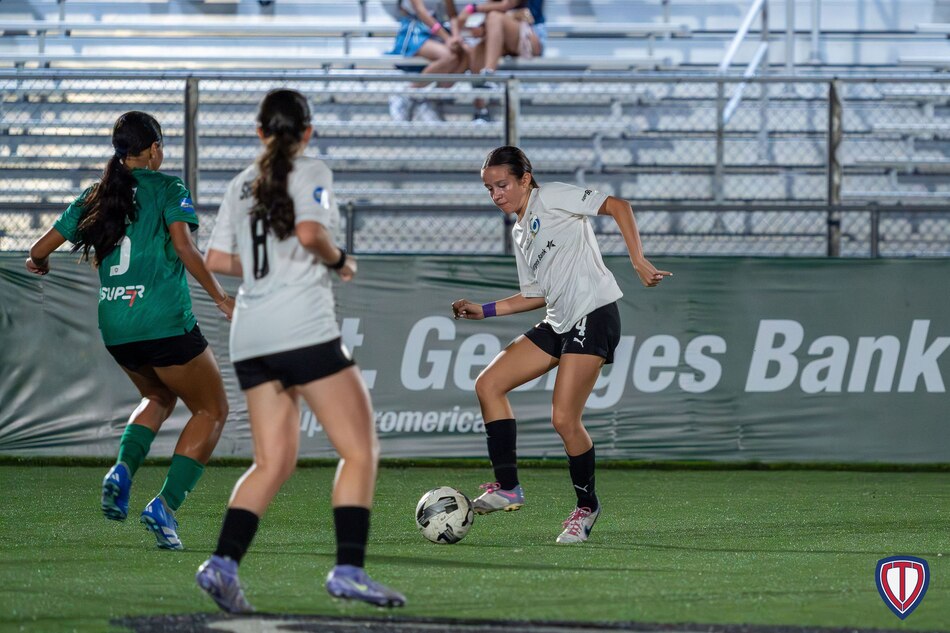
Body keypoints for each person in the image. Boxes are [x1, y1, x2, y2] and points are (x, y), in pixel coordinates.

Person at [196, 89, 405, 612]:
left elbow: (218, 258)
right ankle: (349, 570)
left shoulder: (240, 182)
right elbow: (311, 232)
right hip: (302, 328)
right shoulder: (311, 170)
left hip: (251, 333)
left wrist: (271, 272)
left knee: (273, 461)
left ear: (259, 131)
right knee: (359, 450)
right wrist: (339, 262)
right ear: (307, 132)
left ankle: (221, 564)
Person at [25, 111, 233, 551]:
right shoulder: (169, 187)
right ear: (154, 148)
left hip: (116, 325)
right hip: (162, 319)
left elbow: (38, 250)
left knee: (158, 396)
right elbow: (184, 245)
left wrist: (39, 264)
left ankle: (121, 469)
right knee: (212, 410)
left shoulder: (96, 195)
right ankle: (165, 505)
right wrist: (220, 297)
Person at [452, 146, 671, 544]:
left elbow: (618, 205)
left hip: (595, 312)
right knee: (488, 384)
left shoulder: (550, 196)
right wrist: (484, 310)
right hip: (558, 320)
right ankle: (507, 488)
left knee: (564, 419)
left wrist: (637, 259)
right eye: (488, 188)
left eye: (502, 185)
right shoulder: (520, 230)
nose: (496, 194)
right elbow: (535, 294)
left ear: (524, 178)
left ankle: (586, 507)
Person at [459, 1, 546, 121]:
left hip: (531, 34)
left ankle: (488, 75)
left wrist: (473, 8)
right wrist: (482, 27)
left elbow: (507, 5)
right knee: (477, 49)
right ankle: (481, 110)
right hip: (505, 32)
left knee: (494, 16)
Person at [387, 0, 469, 122]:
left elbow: (452, 14)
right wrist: (447, 38)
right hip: (415, 30)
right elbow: (421, 12)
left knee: (465, 53)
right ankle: (407, 94)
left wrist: (456, 36)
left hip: (436, 32)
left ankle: (432, 99)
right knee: (448, 56)